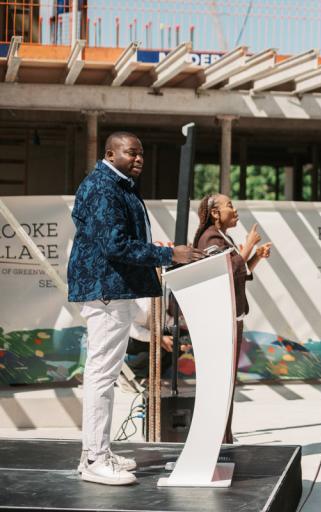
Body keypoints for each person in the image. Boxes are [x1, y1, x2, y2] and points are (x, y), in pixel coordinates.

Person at [68, 132, 204, 485]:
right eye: (132, 152)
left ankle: (95, 452)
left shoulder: (118, 185)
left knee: (105, 375)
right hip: (106, 288)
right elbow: (114, 245)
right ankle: (95, 459)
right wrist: (169, 254)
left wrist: (161, 252)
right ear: (110, 153)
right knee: (101, 375)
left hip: (112, 287)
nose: (139, 158)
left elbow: (117, 240)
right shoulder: (104, 187)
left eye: (141, 153)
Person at [194, 193, 272, 443]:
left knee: (227, 381)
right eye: (229, 205)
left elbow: (239, 271)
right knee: (221, 381)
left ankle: (224, 435)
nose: (235, 210)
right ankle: (219, 436)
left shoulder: (221, 237)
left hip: (231, 317)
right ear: (215, 213)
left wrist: (256, 256)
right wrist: (248, 244)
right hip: (220, 320)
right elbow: (224, 270)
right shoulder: (210, 238)